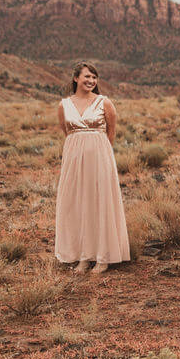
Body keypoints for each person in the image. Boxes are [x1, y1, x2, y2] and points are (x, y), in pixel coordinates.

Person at [54, 61, 130, 272]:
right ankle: (84, 256)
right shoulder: (64, 105)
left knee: (100, 201)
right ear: (76, 78)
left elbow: (111, 133)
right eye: (86, 76)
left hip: (99, 157)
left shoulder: (104, 102)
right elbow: (67, 133)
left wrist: (101, 154)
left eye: (94, 77)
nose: (91, 81)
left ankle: (103, 256)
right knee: (78, 203)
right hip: (74, 159)